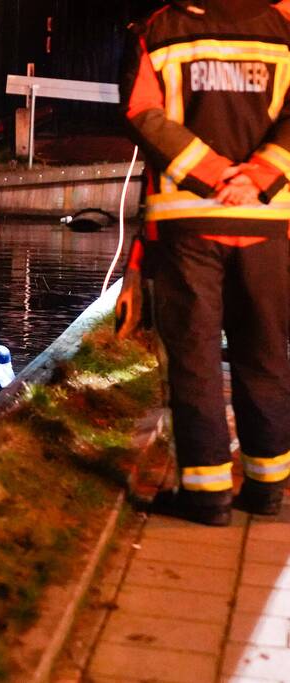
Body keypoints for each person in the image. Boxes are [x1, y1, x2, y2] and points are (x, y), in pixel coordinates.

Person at [120, 0, 290, 526]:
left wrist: (215, 175)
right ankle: (267, 488)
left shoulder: (159, 28)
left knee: (193, 356)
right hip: (268, 222)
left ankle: (207, 493)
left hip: (187, 223)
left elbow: (141, 113)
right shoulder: (282, 26)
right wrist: (257, 177)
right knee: (265, 351)